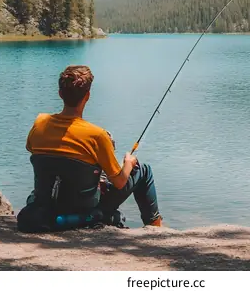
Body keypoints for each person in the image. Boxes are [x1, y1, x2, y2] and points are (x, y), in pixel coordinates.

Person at [25, 65, 162, 228]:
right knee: (143, 171)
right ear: (87, 96)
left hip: (47, 201)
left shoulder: (40, 123)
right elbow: (119, 183)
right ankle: (155, 228)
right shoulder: (97, 135)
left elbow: (38, 151)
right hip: (85, 206)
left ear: (60, 94)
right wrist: (128, 163)